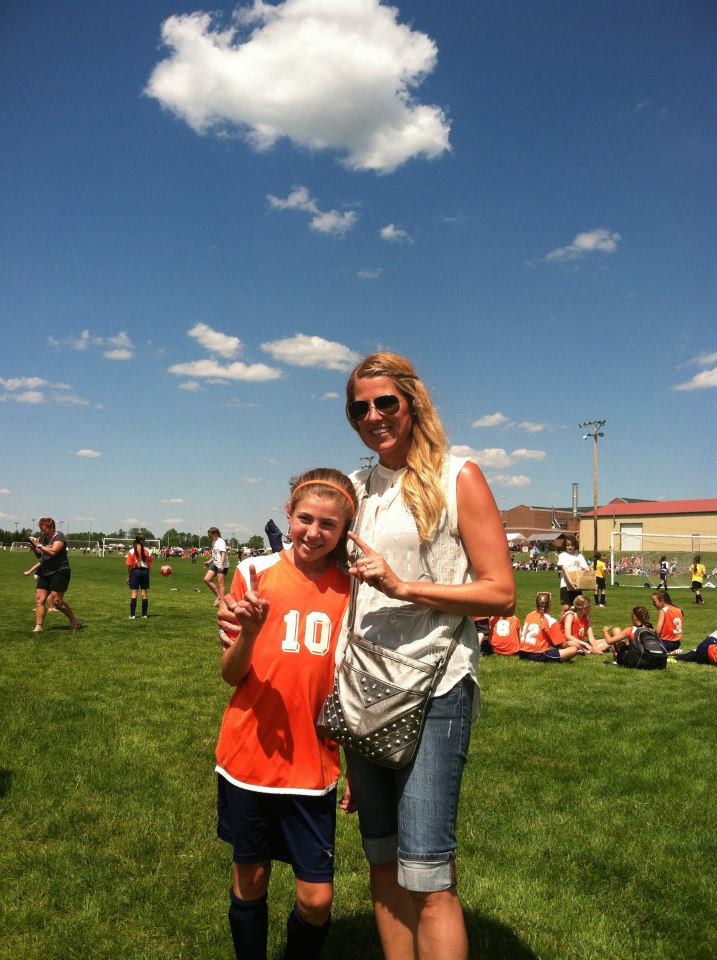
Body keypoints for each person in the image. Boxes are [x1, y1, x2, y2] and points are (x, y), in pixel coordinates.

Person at [337, 352, 514, 960]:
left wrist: (405, 587)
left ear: (413, 404)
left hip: (435, 686)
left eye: (386, 402)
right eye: (360, 408)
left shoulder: (458, 476)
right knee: (383, 862)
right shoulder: (357, 487)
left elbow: (501, 592)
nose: (373, 416)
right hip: (364, 689)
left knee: (427, 872)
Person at [215, 468, 357, 960]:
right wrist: (251, 632)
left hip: (312, 765)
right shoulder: (254, 573)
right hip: (248, 756)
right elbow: (231, 675)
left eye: (328, 524)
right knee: (250, 878)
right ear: (288, 516)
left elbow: (351, 686)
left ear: (344, 530)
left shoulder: (351, 589)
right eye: (305, 519)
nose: (313, 533)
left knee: (316, 900)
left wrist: (357, 768)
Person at [27, 517, 83, 632]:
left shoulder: (59, 537)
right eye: (41, 530)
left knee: (57, 602)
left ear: (51, 527)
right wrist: (34, 548)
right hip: (45, 572)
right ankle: (38, 626)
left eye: (44, 530)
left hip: (59, 571)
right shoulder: (45, 539)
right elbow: (41, 556)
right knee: (40, 600)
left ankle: (74, 621)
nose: (42, 532)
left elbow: (53, 552)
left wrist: (39, 545)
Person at [518, 592, 580, 662]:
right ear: (550, 604)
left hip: (522, 653)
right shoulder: (551, 621)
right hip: (537, 654)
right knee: (573, 650)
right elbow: (562, 645)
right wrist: (572, 644)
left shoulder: (529, 615)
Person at [556, 537, 589, 611]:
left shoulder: (580, 556)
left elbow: (586, 569)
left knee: (576, 607)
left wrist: (592, 581)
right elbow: (564, 570)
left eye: (572, 545)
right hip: (565, 585)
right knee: (566, 607)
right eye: (568, 545)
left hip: (577, 585)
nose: (570, 547)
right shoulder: (562, 556)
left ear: (575, 545)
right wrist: (571, 583)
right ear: (565, 546)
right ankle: (562, 619)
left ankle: (573, 619)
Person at [126, 535, 153, 619]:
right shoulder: (147, 551)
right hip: (145, 572)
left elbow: (130, 565)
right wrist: (147, 574)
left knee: (134, 594)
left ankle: (132, 615)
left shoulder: (131, 551)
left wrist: (128, 575)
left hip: (135, 572)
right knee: (144, 594)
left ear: (135, 541)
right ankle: (144, 615)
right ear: (143, 541)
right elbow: (149, 565)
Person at [204, 527, 229, 606]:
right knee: (207, 579)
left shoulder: (221, 542)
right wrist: (209, 562)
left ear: (215, 534)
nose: (209, 537)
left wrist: (221, 565)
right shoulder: (214, 542)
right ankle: (219, 596)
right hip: (215, 564)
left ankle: (223, 603)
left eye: (210, 535)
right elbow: (215, 555)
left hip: (222, 565)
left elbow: (223, 554)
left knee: (221, 584)